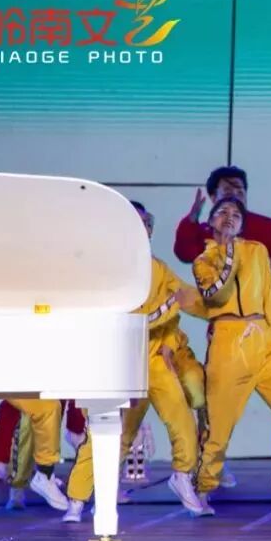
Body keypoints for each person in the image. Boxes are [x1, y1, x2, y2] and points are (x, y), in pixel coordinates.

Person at [62, 202, 207, 520]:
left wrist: (227, 308)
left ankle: (182, 476)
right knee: (111, 433)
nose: (143, 229)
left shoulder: (159, 269)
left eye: (147, 223)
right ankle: (78, 498)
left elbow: (189, 301)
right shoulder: (106, 272)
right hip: (119, 363)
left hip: (155, 361)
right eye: (136, 222)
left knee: (182, 420)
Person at [192, 197, 271, 514]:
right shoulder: (204, 260)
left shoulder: (258, 250)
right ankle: (203, 486)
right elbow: (215, 293)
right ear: (211, 222)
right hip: (228, 343)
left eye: (236, 214)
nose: (229, 217)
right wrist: (229, 249)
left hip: (264, 338)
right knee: (218, 429)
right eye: (222, 212)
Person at [174, 165, 271, 445]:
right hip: (228, 336)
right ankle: (208, 461)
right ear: (213, 197)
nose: (236, 195)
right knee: (217, 407)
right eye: (227, 190)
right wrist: (192, 218)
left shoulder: (265, 228)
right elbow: (183, 252)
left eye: (240, 190)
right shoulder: (204, 233)